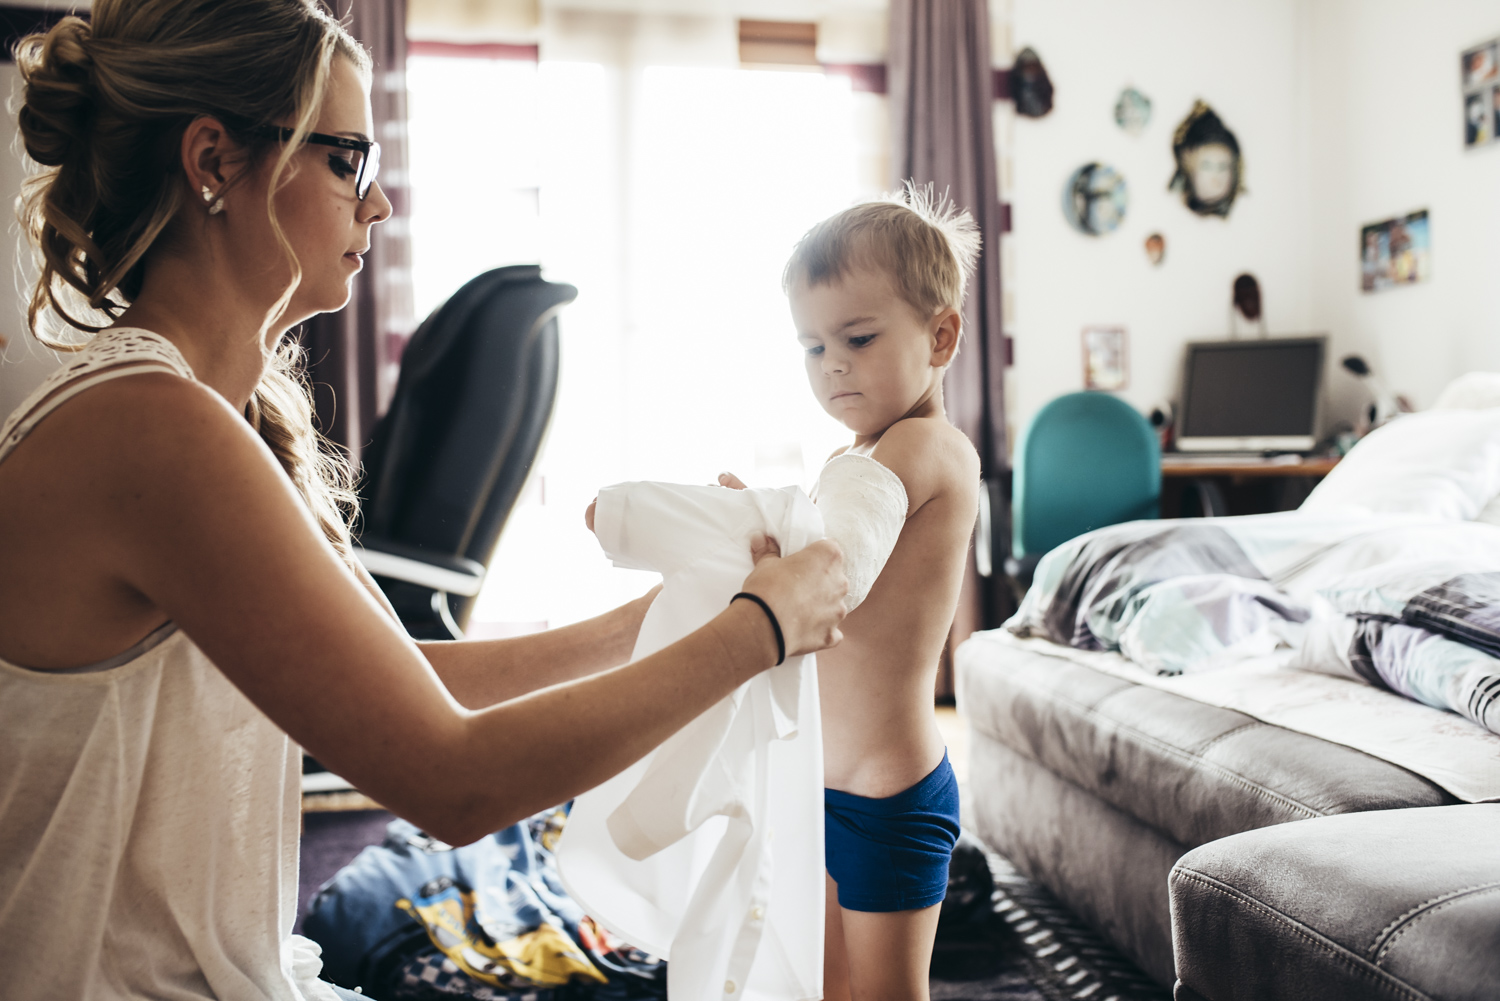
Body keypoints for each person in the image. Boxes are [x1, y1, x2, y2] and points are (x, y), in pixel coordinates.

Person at [0, 3, 847, 1000]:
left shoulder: (194, 412)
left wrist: (659, 619)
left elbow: (395, 678)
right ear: (214, 162)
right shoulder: (152, 430)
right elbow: (454, 777)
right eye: (347, 158)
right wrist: (765, 627)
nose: (380, 203)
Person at [723, 188, 981, 1001]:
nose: (832, 363)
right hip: (822, 782)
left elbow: (842, 560)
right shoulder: (862, 453)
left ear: (940, 336)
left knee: (887, 992)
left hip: (889, 793)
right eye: (812, 345)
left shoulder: (926, 448)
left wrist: (766, 541)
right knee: (826, 986)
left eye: (858, 338)